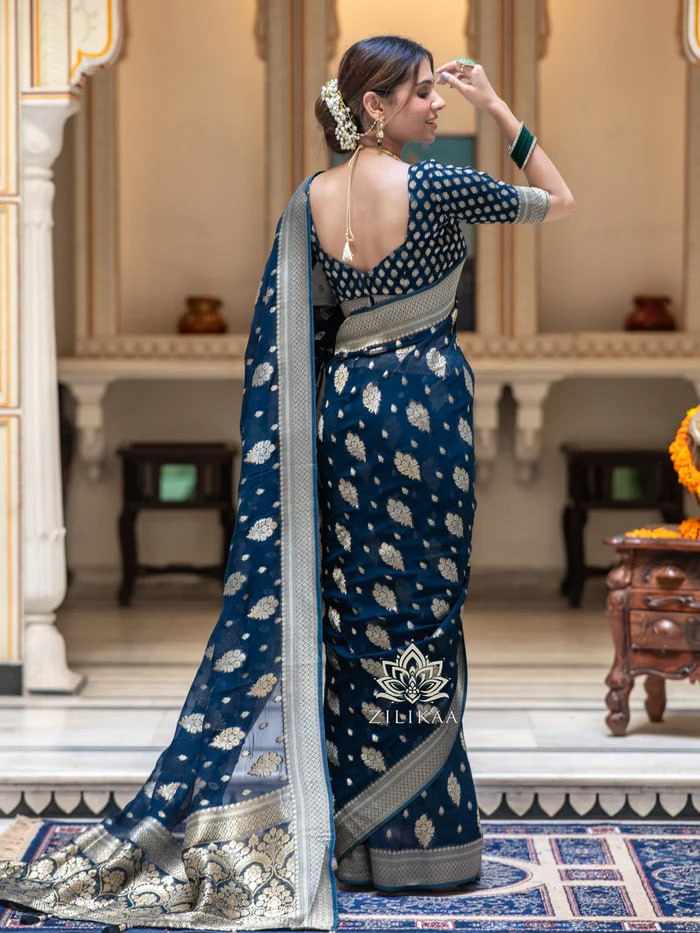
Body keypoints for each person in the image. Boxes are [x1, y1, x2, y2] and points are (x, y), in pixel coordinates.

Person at [0, 34, 574, 933]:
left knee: (353, 611)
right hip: (425, 415)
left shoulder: (311, 201)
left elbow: (303, 334)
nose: (440, 105)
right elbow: (556, 198)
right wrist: (500, 109)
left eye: (442, 92)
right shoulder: (439, 186)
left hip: (345, 416)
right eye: (424, 92)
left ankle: (352, 834)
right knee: (422, 610)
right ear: (374, 106)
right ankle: (416, 835)